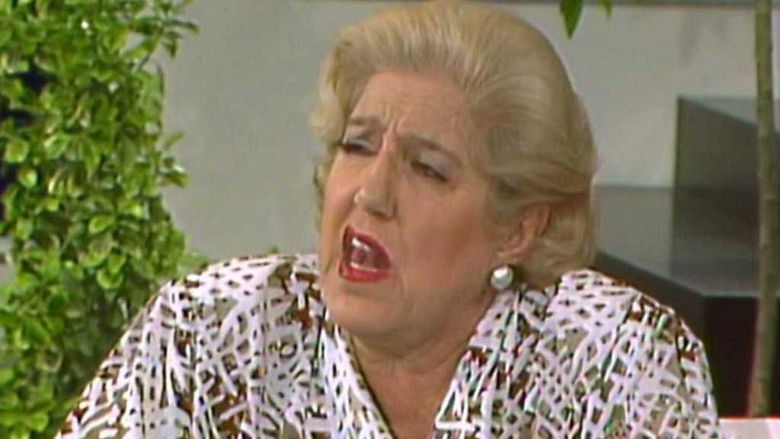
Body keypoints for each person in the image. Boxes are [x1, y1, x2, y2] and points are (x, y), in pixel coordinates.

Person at [57, 1, 725, 437]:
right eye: (357, 146)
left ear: (517, 227)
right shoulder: (207, 331)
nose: (371, 193)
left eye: (427, 168)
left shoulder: (611, 355)